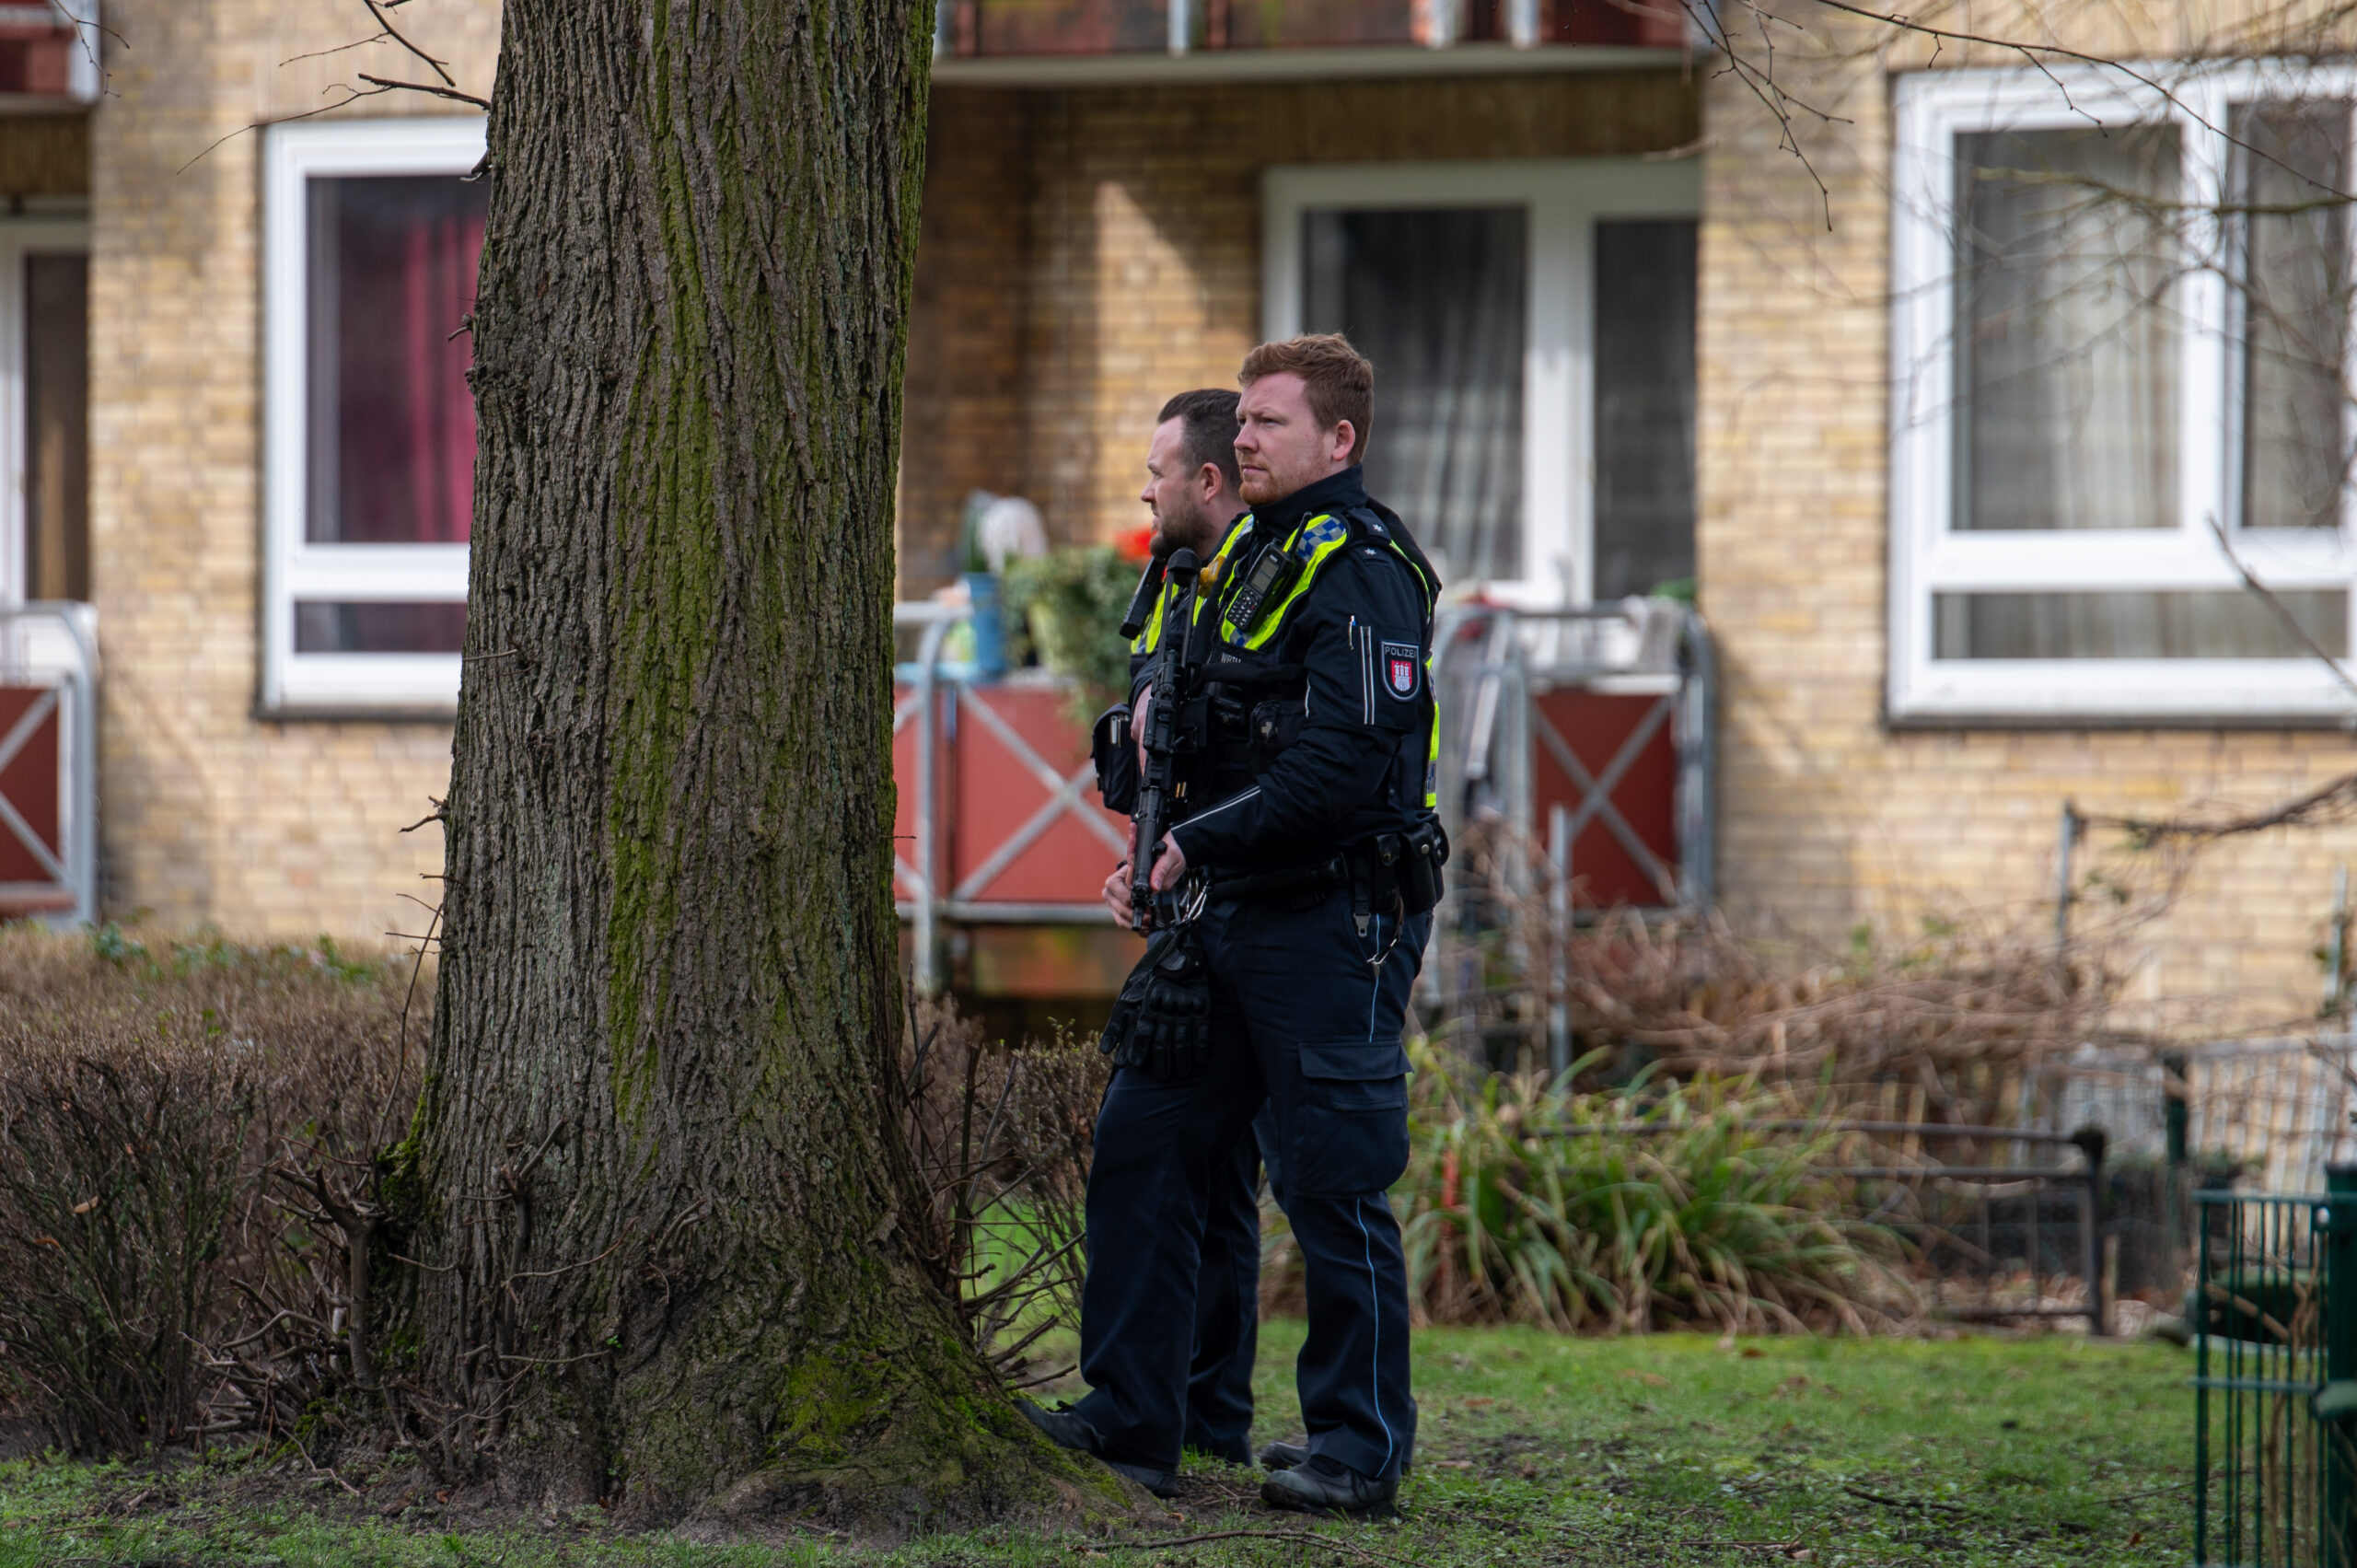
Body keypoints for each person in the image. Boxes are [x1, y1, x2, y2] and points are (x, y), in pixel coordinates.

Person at [1025, 337, 1442, 1519]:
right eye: (1242, 421)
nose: (1242, 438)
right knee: (1145, 1146)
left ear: (1337, 440)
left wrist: (1195, 843)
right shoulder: (1240, 560)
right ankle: (1132, 1417)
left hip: (1332, 918)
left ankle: (1358, 1448)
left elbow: (1348, 763)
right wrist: (1150, 835)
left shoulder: (1361, 565)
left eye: (1265, 421)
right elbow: (1189, 728)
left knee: (1331, 1183)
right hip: (1216, 916)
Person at [1132, 388, 1275, 1472]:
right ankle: (1206, 1415)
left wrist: (1193, 846)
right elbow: (1149, 747)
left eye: (1158, 468)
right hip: (1188, 900)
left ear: (1207, 479)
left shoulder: (1273, 594)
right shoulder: (1180, 586)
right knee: (1216, 1172)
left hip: (1264, 912)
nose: (1146, 487)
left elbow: (1281, 770)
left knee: (1170, 1154)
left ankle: (1158, 1415)